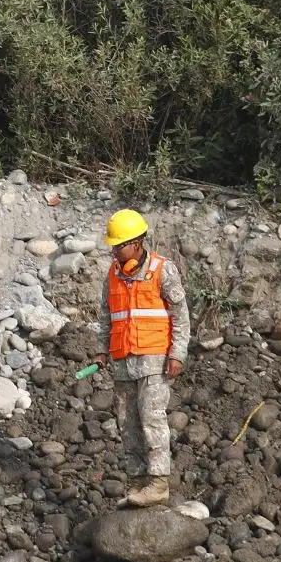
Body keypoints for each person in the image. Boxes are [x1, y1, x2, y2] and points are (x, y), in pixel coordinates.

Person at [101, 209, 190, 508]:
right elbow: (106, 318)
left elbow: (180, 317)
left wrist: (177, 353)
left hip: (154, 360)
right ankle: (138, 482)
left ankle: (159, 483)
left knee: (152, 419)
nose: (115, 250)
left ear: (137, 242)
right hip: (123, 360)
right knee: (127, 422)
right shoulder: (112, 275)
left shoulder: (162, 270)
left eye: (120, 245)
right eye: (113, 245)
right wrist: (103, 351)